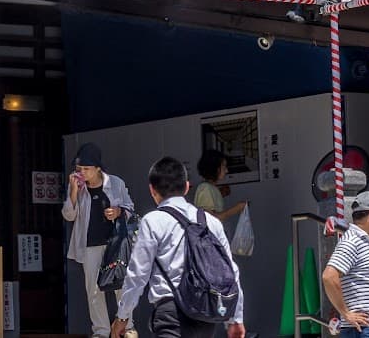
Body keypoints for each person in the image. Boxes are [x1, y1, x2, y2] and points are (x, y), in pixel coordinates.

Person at [112, 157, 245, 338]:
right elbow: (230, 271)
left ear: (152, 190)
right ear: (187, 187)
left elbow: (137, 275)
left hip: (170, 313)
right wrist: (235, 319)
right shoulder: (210, 222)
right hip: (206, 314)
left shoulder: (152, 221)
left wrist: (122, 317)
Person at [60, 143, 134, 337]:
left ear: (98, 168)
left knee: (121, 284)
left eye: (86, 169)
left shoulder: (115, 183)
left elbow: (130, 208)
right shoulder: (77, 186)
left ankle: (127, 327)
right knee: (93, 290)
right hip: (90, 244)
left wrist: (118, 212)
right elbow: (68, 215)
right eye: (78, 170)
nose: (82, 173)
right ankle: (101, 331)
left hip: (115, 243)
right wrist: (74, 191)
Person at [322, 191, 369, 338]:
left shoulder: (363, 240)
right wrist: (346, 313)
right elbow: (329, 276)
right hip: (365, 329)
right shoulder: (353, 241)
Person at [192, 149, 246, 225]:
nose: (226, 171)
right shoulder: (205, 188)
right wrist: (237, 209)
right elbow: (210, 219)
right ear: (215, 169)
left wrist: (221, 193)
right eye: (224, 167)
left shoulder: (210, 188)